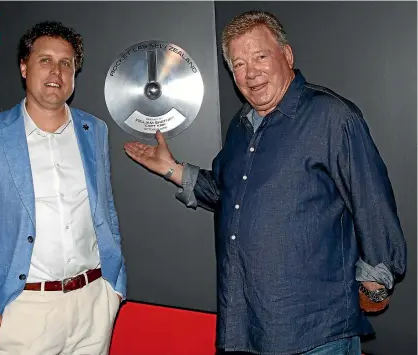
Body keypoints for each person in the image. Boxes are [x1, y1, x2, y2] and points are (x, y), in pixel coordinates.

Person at [124, 10, 406, 355]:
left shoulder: (332, 116)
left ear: (286, 56)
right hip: (247, 322)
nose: (251, 72)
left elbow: (371, 199)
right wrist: (171, 168)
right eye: (239, 64)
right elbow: (229, 193)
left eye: (260, 56)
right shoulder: (240, 126)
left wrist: (376, 281)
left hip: (316, 330)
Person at [0, 21, 126, 355]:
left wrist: (114, 290)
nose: (56, 71)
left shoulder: (93, 130)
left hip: (94, 306)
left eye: (66, 63)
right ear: (24, 67)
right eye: (45, 60)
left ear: (74, 72)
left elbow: (105, 211)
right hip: (24, 312)